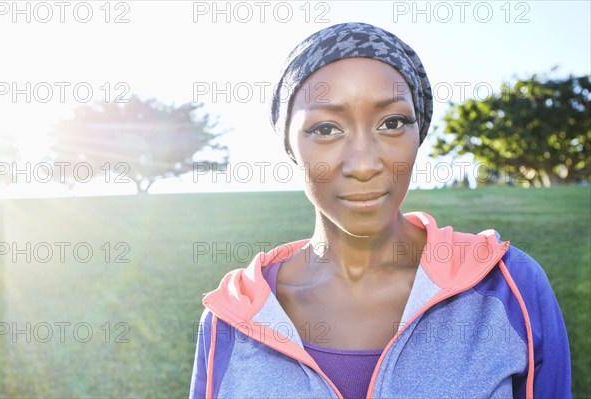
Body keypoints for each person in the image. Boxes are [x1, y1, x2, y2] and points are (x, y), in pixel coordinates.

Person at [189, 22, 572, 399]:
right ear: (289, 144)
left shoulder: (509, 286)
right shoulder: (233, 317)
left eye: (392, 123)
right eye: (325, 129)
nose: (364, 163)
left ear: (418, 133)